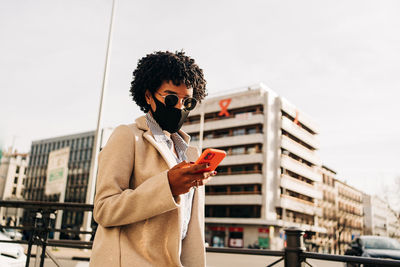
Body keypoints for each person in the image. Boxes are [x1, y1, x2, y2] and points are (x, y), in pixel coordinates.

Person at [90, 51, 215, 267]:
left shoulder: (188, 153)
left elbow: (185, 228)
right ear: (148, 96)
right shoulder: (127, 136)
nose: (179, 107)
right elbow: (104, 209)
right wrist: (168, 186)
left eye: (188, 102)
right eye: (171, 98)